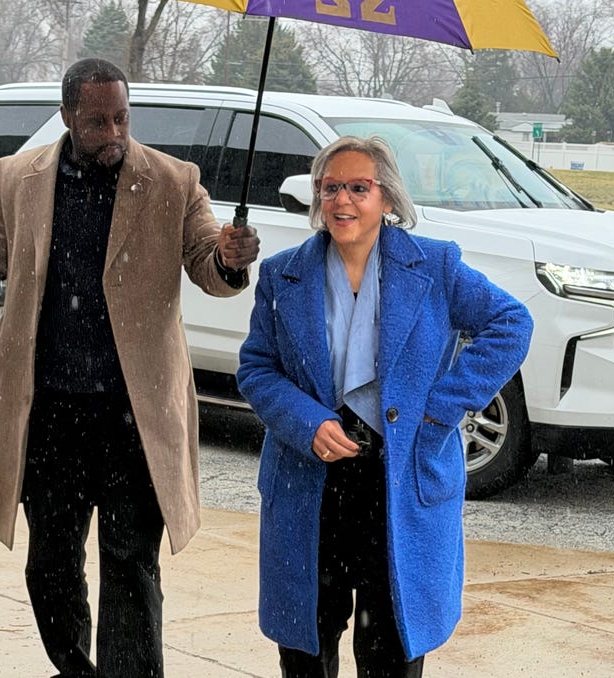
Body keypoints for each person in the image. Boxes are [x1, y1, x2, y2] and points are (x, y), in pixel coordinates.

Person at [0, 57, 259, 678]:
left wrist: (232, 260)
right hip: (48, 411)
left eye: (122, 118)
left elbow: (209, 264)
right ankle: (76, 669)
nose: (114, 132)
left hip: (135, 416)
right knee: (50, 563)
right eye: (98, 121)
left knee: (130, 563)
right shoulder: (18, 177)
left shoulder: (173, 180)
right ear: (68, 115)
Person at [236, 136, 533, 677]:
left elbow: (512, 324)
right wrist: (308, 422)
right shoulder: (283, 275)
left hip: (398, 480)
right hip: (311, 480)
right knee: (306, 646)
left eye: (358, 188)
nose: (342, 201)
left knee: (391, 648)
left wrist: (440, 408)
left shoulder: (435, 267)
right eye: (330, 188)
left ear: (388, 200)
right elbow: (256, 368)